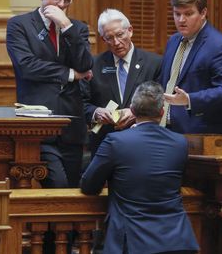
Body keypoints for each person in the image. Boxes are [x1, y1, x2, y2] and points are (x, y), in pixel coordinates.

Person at [81, 81, 199, 254]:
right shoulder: (180, 142)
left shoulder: (116, 141)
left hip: (132, 241)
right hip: (176, 240)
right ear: (161, 112)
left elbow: (89, 185)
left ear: (133, 110)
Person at [6, 0, 93, 188]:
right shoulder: (20, 25)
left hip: (71, 126)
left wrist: (65, 25)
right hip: (39, 124)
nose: (62, 4)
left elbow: (85, 65)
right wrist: (70, 74)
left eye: (67, 0)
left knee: (73, 190)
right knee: (58, 184)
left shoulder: (77, 28)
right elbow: (27, 66)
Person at [160, 0, 222, 135]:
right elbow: (165, 83)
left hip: (202, 133)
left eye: (188, 14)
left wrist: (189, 99)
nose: (181, 20)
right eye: (177, 14)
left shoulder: (221, 46)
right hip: (167, 130)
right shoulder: (173, 41)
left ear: (203, 13)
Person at [81, 8, 161, 157]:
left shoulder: (154, 63)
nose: (116, 42)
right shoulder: (93, 65)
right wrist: (95, 112)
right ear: (103, 39)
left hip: (143, 144)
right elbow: (81, 103)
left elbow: (161, 103)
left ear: (130, 30)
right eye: (109, 38)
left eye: (120, 35)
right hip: (105, 145)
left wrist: (134, 112)